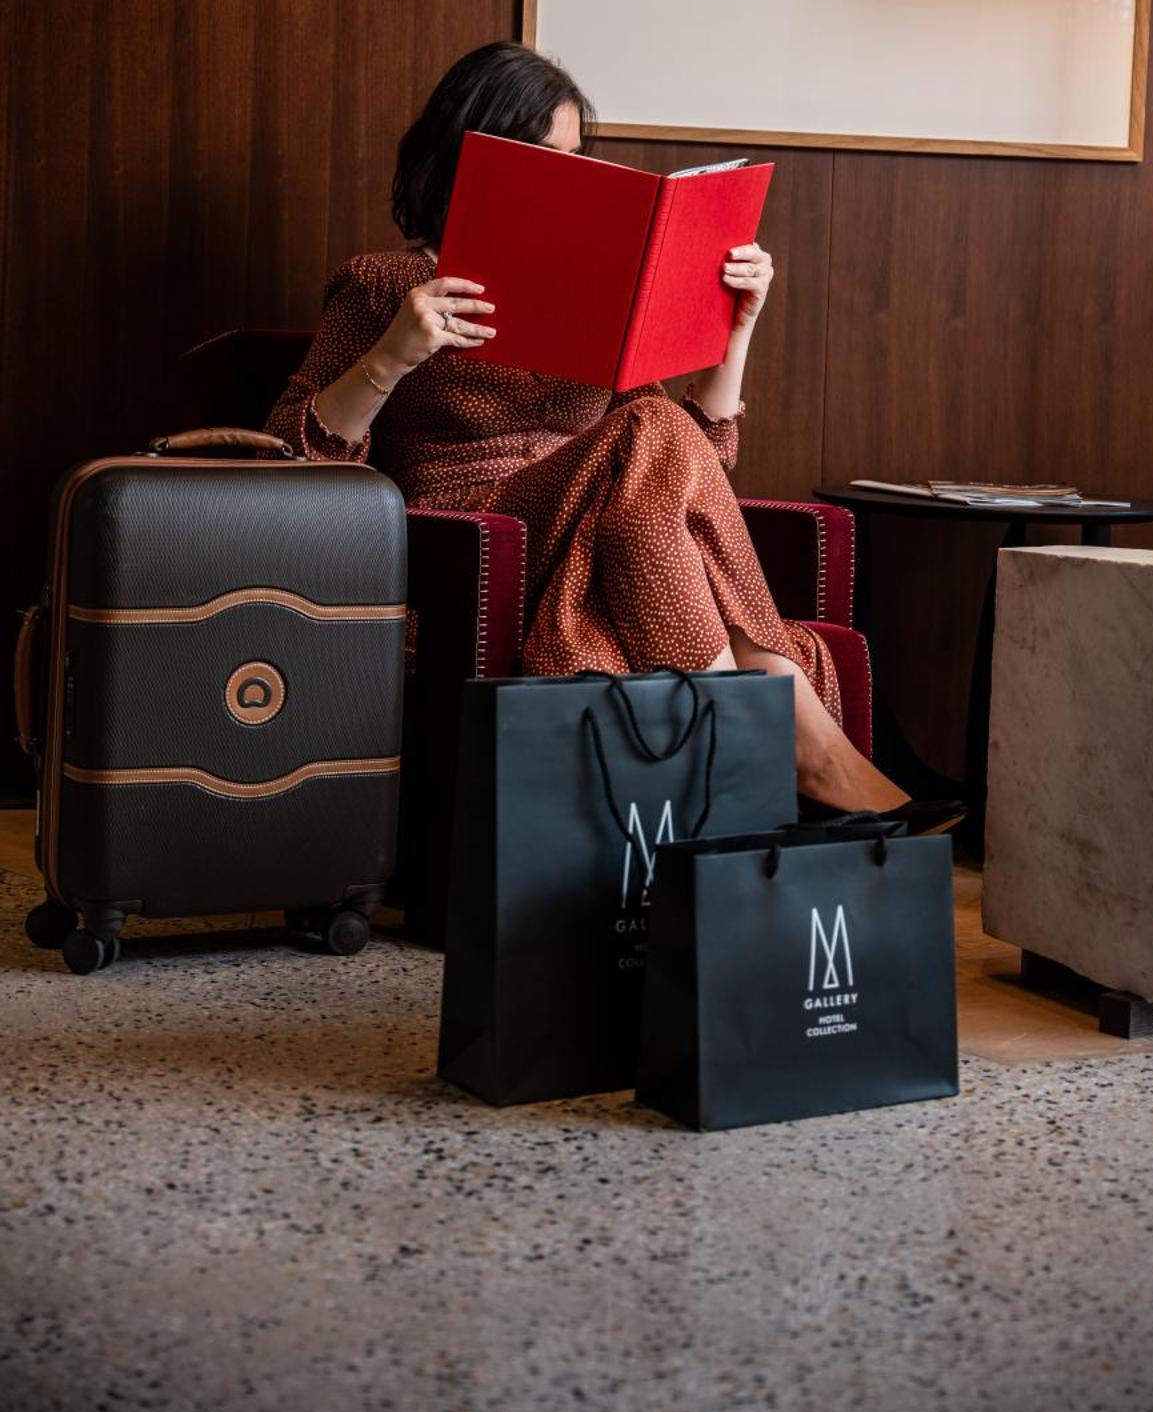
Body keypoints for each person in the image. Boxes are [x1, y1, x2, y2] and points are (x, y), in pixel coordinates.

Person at [268, 41, 960, 829]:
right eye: (537, 155)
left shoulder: (590, 286)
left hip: (603, 528)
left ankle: (770, 744)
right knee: (647, 430)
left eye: (573, 159)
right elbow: (291, 453)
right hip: (474, 538)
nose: (561, 178)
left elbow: (697, 462)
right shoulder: (385, 284)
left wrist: (738, 329)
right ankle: (783, 741)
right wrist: (394, 353)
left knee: (653, 433)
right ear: (466, 154)